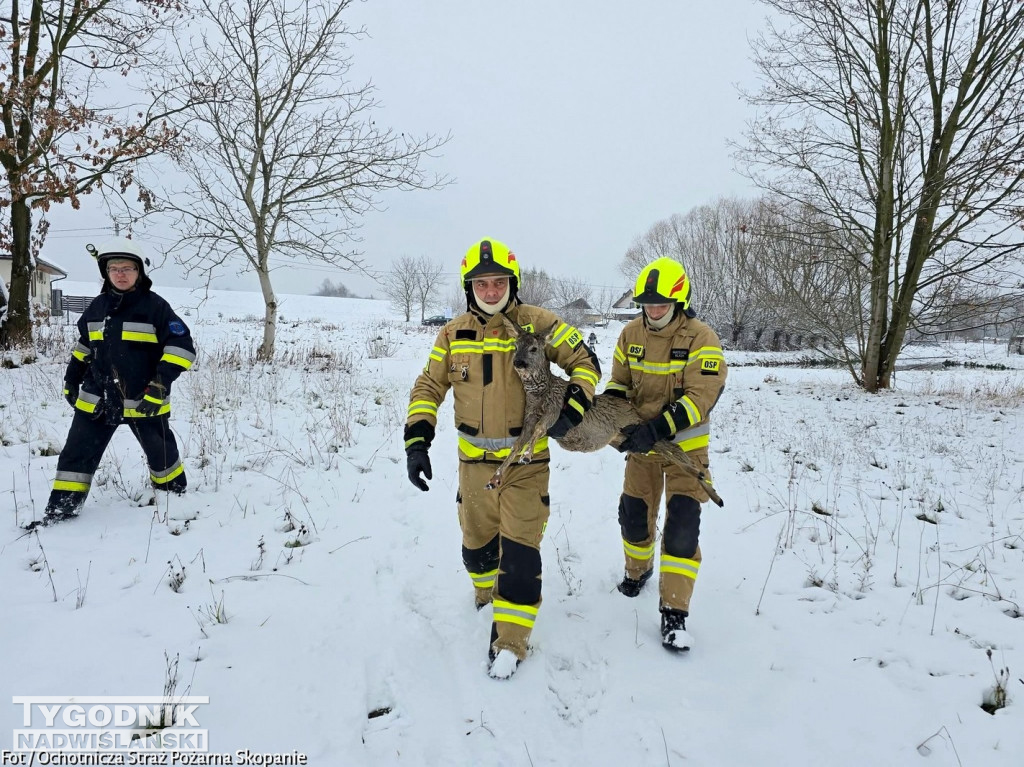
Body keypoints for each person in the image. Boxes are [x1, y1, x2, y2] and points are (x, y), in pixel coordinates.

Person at [404, 238, 600, 679]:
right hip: (474, 469)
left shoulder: (540, 323)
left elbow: (586, 363)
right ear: (469, 287)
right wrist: (417, 439)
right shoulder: (453, 333)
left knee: (521, 552)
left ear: (512, 284)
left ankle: (510, 640)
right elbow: (428, 386)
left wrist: (574, 405)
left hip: (527, 465)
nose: (491, 291)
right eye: (481, 283)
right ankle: (484, 593)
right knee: (477, 551)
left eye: (499, 283)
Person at [604, 256, 727, 652]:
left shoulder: (701, 338)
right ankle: (638, 571)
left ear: (679, 301)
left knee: (682, 527)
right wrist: (612, 420)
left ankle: (675, 613)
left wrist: (658, 428)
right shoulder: (628, 336)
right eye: (647, 304)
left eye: (661, 304)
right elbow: (619, 386)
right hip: (641, 448)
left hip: (685, 452)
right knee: (633, 515)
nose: (653, 310)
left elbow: (701, 396)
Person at [30, 238, 196, 527]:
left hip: (145, 399)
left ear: (139, 272)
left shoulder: (156, 308)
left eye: (127, 268)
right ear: (106, 273)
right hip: (97, 398)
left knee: (161, 451)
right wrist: (72, 377)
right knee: (76, 454)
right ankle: (61, 510)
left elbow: (182, 348)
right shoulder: (96, 307)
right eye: (113, 268)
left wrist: (158, 386)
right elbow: (85, 346)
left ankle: (173, 496)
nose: (120, 273)